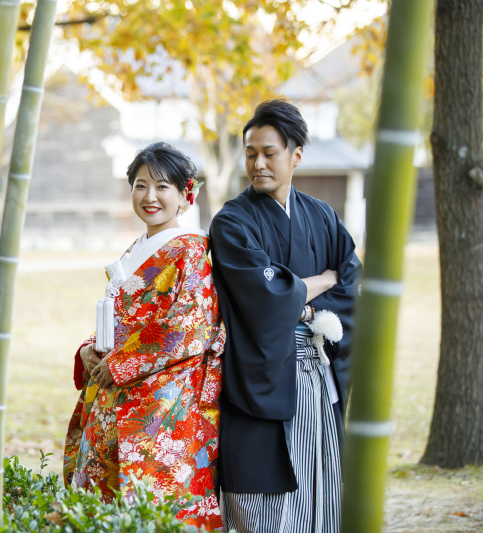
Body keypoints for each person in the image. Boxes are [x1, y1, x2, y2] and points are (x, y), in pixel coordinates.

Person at [210, 99, 362, 533]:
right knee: (257, 504)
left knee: (321, 491)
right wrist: (318, 282)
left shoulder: (322, 216)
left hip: (316, 377)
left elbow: (351, 282)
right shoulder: (232, 222)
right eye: (250, 152)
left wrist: (303, 298)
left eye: (269, 153)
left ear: (296, 156)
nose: (257, 163)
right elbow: (267, 294)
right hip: (259, 377)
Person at [64, 142, 224, 530]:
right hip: (112, 387)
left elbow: (189, 329)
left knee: (155, 502)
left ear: (186, 194)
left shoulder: (192, 251)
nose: (149, 196)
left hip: (162, 401)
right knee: (103, 503)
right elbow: (121, 318)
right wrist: (90, 348)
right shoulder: (137, 248)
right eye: (140, 185)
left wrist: (120, 364)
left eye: (162, 186)